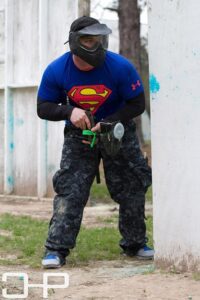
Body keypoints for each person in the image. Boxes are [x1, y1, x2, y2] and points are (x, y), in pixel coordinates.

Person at [37, 16, 154, 269]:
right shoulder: (57, 70)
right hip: (79, 138)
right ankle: (56, 250)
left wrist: (111, 121)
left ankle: (135, 244)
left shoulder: (120, 67)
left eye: (98, 39)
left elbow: (138, 103)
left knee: (132, 184)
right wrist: (70, 112)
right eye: (88, 40)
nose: (95, 45)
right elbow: (43, 107)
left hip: (118, 133)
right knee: (70, 190)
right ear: (75, 43)